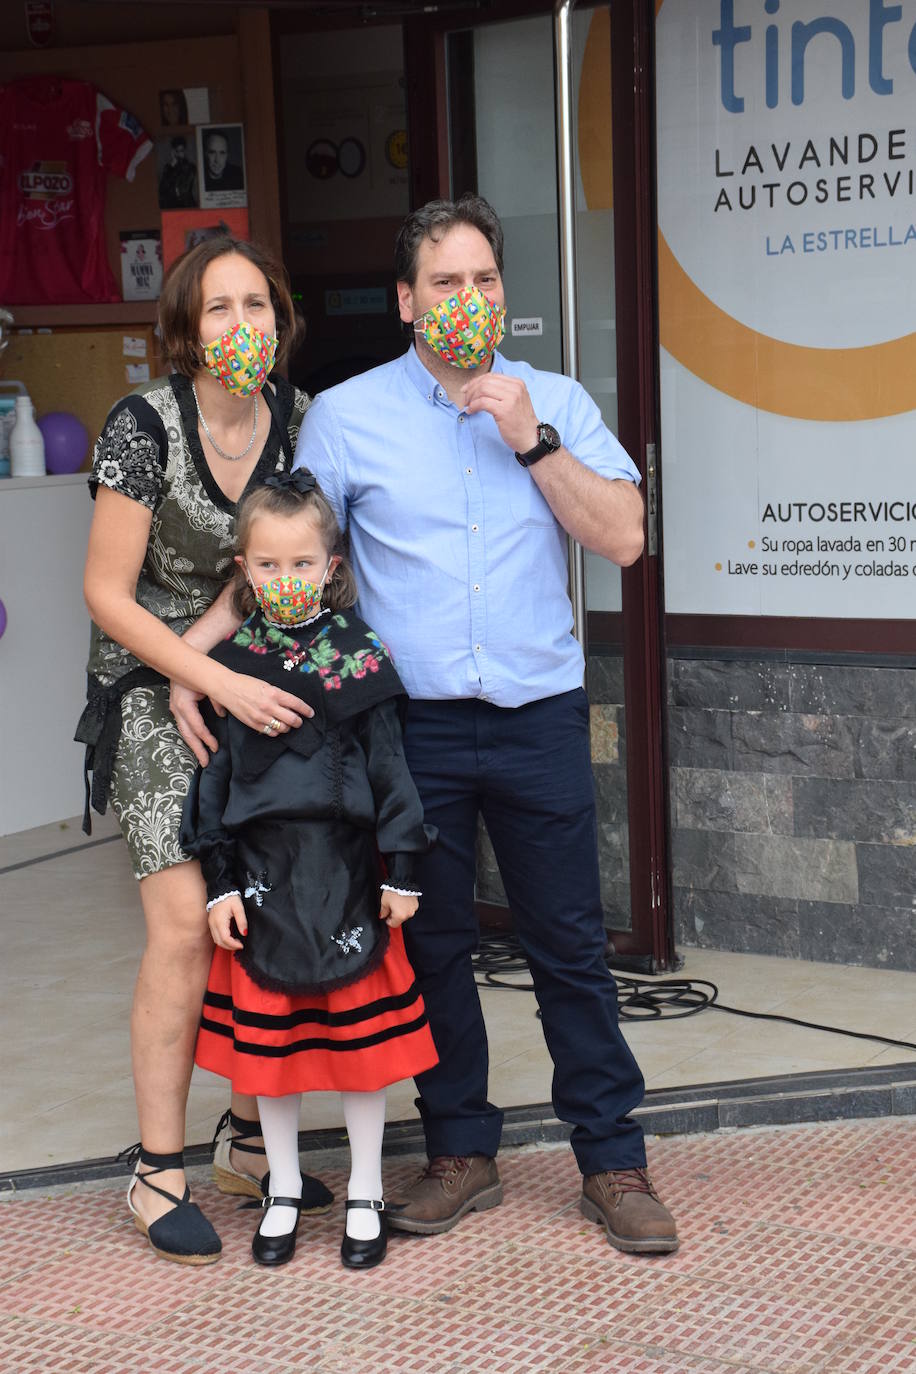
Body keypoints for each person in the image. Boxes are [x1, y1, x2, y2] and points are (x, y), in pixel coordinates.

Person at [290, 193, 679, 1255]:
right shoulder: (344, 415)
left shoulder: (552, 400)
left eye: (486, 280)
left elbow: (626, 537)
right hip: (409, 730)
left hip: (535, 716)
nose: (470, 300)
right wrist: (202, 668)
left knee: (568, 946)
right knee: (434, 947)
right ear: (408, 300)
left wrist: (532, 439)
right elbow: (288, 563)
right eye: (448, 283)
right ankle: (459, 1150)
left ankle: (612, 1159)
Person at [76, 236, 333, 1266]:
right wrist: (191, 672)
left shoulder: (300, 420)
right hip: (146, 689)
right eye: (219, 310)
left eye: (257, 307)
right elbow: (102, 589)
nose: (241, 327)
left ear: (280, 321)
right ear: (187, 329)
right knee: (185, 925)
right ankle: (154, 1169)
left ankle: (242, 1140)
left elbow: (266, 559)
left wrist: (215, 659)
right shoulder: (142, 426)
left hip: (242, 669)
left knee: (263, 913)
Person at [180, 472, 438, 1269]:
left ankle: (364, 1188)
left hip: (349, 878)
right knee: (274, 1055)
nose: (285, 580)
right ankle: (282, 1188)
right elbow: (213, 784)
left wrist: (402, 869)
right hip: (262, 885)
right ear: (243, 569)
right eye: (267, 566)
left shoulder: (362, 658)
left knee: (361, 1053)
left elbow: (392, 769)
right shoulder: (230, 665)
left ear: (331, 564)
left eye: (301, 564)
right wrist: (219, 881)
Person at [158, 136, 197, 210]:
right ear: (173, 152)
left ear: (184, 151)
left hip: (186, 205)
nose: (179, 154)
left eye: (181, 151)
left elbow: (184, 189)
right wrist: (172, 167)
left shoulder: (190, 167)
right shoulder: (168, 168)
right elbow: (162, 189)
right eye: (176, 151)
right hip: (171, 206)